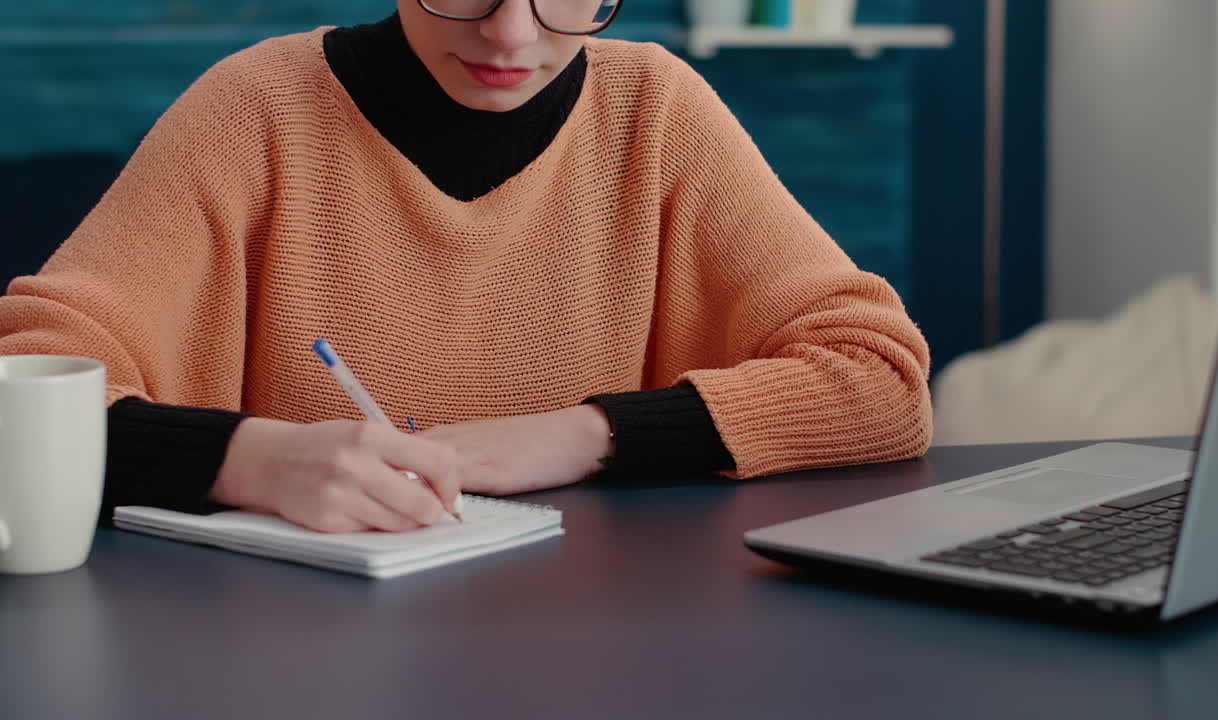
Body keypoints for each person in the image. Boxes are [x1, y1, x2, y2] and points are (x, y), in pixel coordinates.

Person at [0, 0, 933, 534]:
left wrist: (579, 434)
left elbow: (881, 378)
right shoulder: (257, 110)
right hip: (291, 651)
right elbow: (20, 385)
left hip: (605, 641)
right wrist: (249, 461)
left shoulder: (655, 109)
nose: (511, 36)